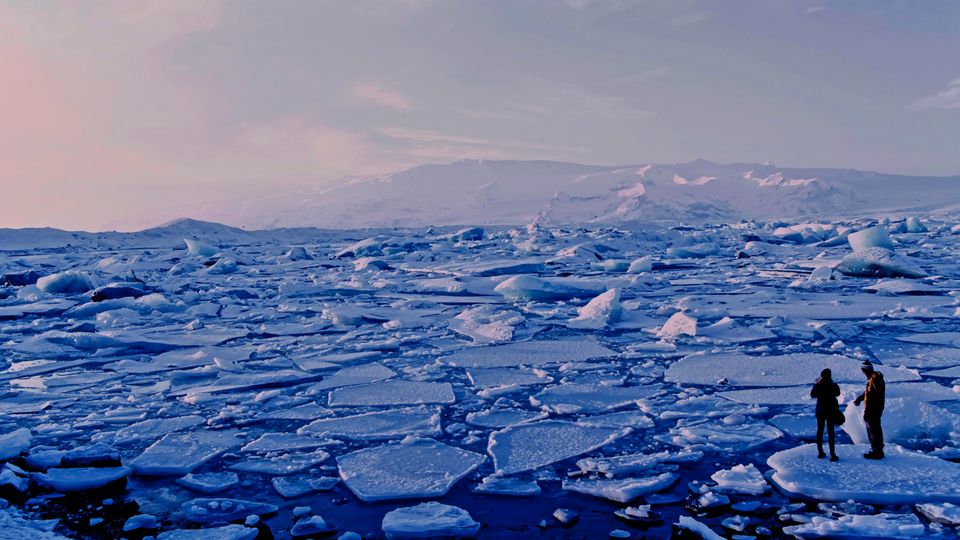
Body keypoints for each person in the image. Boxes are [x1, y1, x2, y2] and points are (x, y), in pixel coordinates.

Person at [853, 360, 885, 459]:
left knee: (873, 429)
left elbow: (874, 394)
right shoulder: (873, 379)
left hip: (872, 409)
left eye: (863, 370)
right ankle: (877, 449)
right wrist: (861, 398)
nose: (863, 372)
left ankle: (876, 451)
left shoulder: (874, 380)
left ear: (865, 370)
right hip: (875, 408)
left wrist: (869, 409)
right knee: (875, 428)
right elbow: (869, 392)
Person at [810, 368, 840, 461]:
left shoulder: (818, 385)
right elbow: (838, 393)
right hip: (830, 411)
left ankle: (820, 452)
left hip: (820, 411)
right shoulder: (833, 385)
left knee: (820, 431)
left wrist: (817, 384)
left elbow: (812, 395)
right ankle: (832, 454)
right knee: (831, 432)